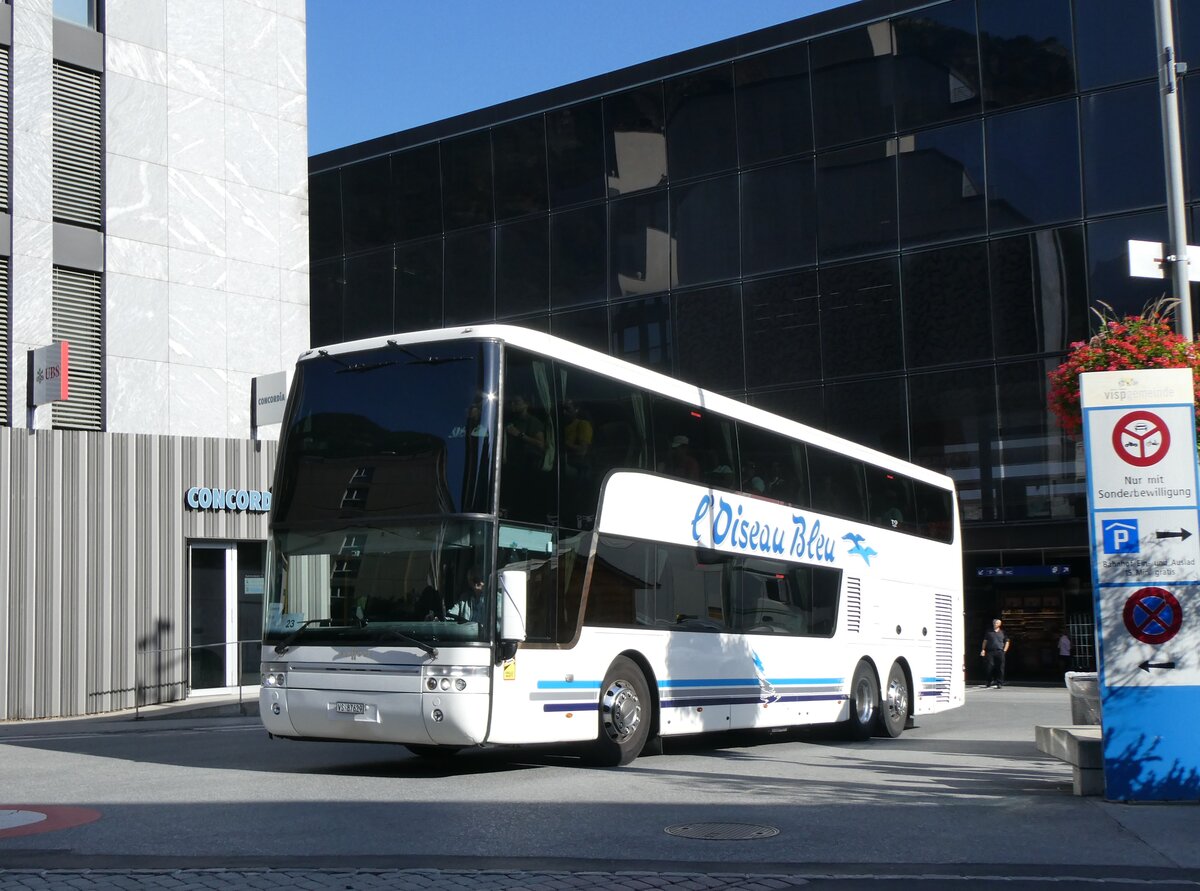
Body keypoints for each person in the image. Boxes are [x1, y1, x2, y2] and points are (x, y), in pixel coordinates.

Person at [980, 618, 1011, 688]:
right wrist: (983, 649)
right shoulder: (988, 632)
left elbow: (1007, 642)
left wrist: (1004, 650)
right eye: (995, 623)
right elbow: (985, 641)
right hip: (990, 651)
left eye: (997, 623)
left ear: (1000, 624)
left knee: (1000, 667)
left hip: (1000, 651)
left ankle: (999, 682)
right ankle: (989, 681)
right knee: (989, 667)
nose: (996, 624)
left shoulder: (1003, 632)